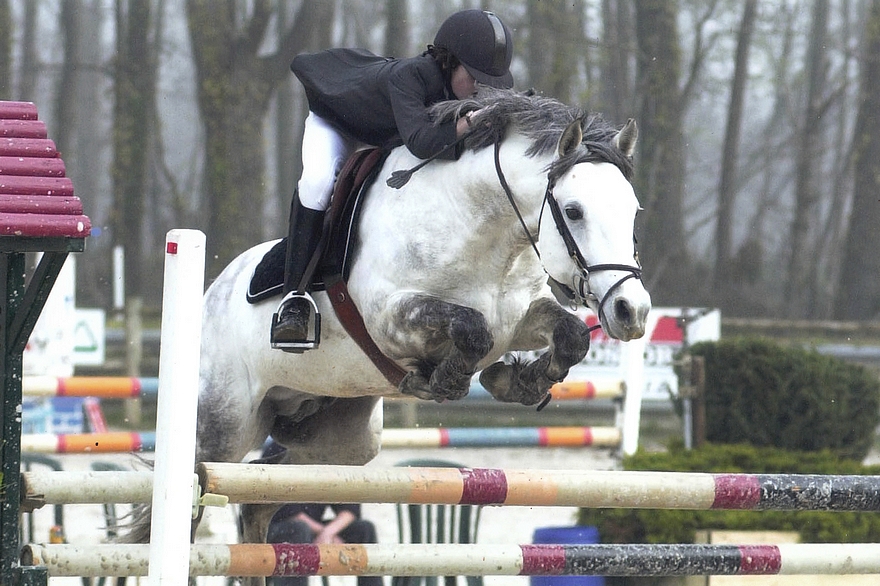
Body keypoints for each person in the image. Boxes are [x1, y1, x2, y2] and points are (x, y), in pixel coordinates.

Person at [271, 9, 515, 351]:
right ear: (450, 62)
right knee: (317, 183)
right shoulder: (411, 75)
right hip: (338, 124)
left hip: (384, 133)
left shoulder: (456, 90)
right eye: (475, 78)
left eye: (488, 84)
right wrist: (468, 124)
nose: (479, 90)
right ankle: (292, 300)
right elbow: (421, 143)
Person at [258, 440, 383, 586]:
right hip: (271, 529)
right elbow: (286, 510)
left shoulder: (331, 449)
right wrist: (324, 533)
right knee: (298, 529)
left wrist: (329, 533)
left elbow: (350, 507)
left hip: (310, 530)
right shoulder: (279, 447)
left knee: (364, 529)